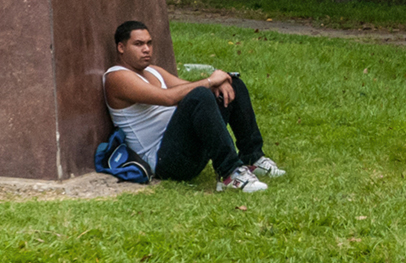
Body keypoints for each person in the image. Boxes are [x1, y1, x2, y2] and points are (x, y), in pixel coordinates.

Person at [105, 20, 284, 191]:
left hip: (186, 147)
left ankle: (252, 158)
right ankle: (230, 173)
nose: (146, 49)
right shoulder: (117, 77)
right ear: (121, 47)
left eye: (149, 43)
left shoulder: (153, 70)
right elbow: (168, 98)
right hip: (164, 161)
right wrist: (209, 81)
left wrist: (217, 84)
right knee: (200, 94)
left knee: (232, 85)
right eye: (138, 44)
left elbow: (186, 88)